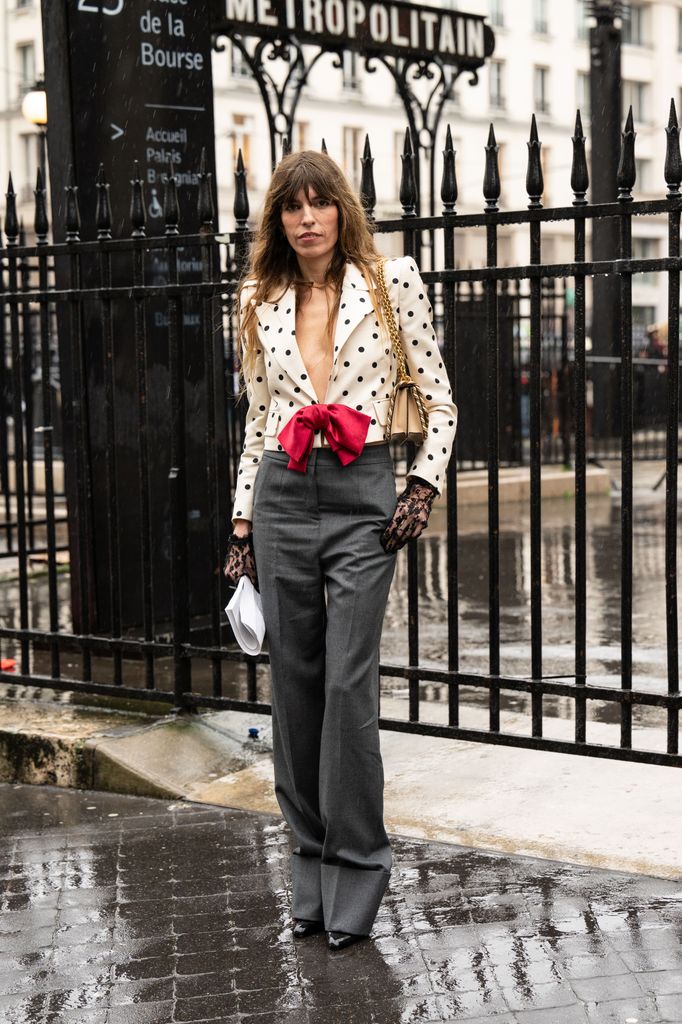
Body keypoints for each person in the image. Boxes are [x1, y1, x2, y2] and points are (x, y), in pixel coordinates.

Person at [223, 150, 457, 950]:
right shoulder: (257, 296)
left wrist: (420, 486)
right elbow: (258, 419)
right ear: (278, 220)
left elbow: (440, 402)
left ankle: (358, 871)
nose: (308, 217)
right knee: (294, 687)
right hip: (283, 493)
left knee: (349, 686)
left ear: (342, 210)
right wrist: (242, 527)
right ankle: (311, 868)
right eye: (294, 207)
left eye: (321, 204)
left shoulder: (394, 285)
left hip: (365, 498)